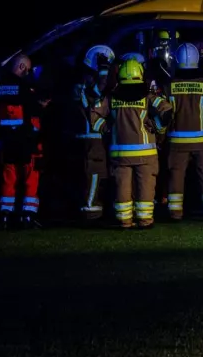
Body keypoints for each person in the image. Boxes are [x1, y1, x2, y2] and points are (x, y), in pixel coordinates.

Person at [89, 56, 172, 229]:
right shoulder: (147, 96)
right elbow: (166, 112)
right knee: (146, 186)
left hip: (120, 153)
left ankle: (124, 220)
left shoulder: (111, 97)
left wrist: (107, 128)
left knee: (122, 187)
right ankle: (145, 220)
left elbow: (94, 115)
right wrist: (156, 127)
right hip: (146, 153)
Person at [163, 42, 203, 220]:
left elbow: (162, 114)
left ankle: (175, 213)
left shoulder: (168, 86)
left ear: (177, 61)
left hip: (176, 142)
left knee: (176, 176)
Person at [0, 53, 48, 229]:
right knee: (31, 178)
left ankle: (5, 215)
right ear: (21, 67)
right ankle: (28, 215)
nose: (29, 73)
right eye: (28, 69)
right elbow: (34, 110)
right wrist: (42, 105)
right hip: (27, 142)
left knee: (8, 178)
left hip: (7, 142)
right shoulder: (25, 88)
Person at [71, 44, 113, 222]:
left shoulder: (82, 85)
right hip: (92, 139)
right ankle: (91, 213)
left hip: (88, 138)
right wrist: (104, 69)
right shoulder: (88, 88)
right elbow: (99, 90)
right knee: (94, 175)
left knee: (94, 175)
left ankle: (92, 209)